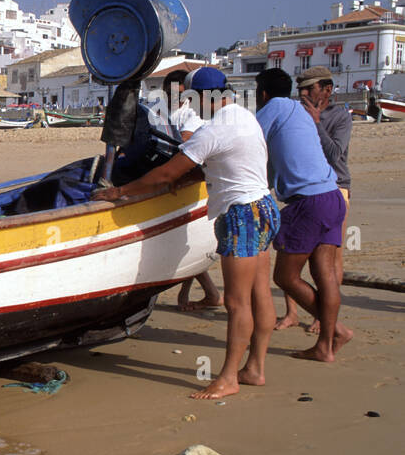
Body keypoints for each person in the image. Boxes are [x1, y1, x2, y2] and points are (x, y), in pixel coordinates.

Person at [93, 73, 278, 399]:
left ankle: (229, 378)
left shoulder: (214, 130)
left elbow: (165, 173)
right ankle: (256, 369)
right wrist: (193, 173)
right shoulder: (243, 116)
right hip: (263, 206)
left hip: (241, 214)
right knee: (260, 293)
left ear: (205, 97)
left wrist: (118, 192)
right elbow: (228, 161)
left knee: (236, 303)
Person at [253, 67, 351, 362]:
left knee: (285, 276)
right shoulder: (300, 112)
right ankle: (325, 344)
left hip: (308, 202)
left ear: (262, 94)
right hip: (333, 195)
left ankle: (338, 332)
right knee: (325, 276)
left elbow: (248, 142)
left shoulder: (272, 109)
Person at [275, 66, 351, 334]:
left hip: (335, 188)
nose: (304, 94)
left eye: (310, 88)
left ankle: (324, 321)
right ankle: (293, 313)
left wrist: (316, 123)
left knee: (326, 266)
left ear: (327, 90)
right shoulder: (296, 113)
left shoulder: (339, 116)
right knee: (294, 254)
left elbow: (335, 154)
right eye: (301, 89)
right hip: (305, 193)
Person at [167, 69, 222, 312]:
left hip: (191, 181)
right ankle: (207, 293)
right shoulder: (167, 112)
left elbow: (187, 145)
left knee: (186, 241)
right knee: (185, 241)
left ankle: (189, 293)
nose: (175, 96)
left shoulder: (191, 115)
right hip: (185, 177)